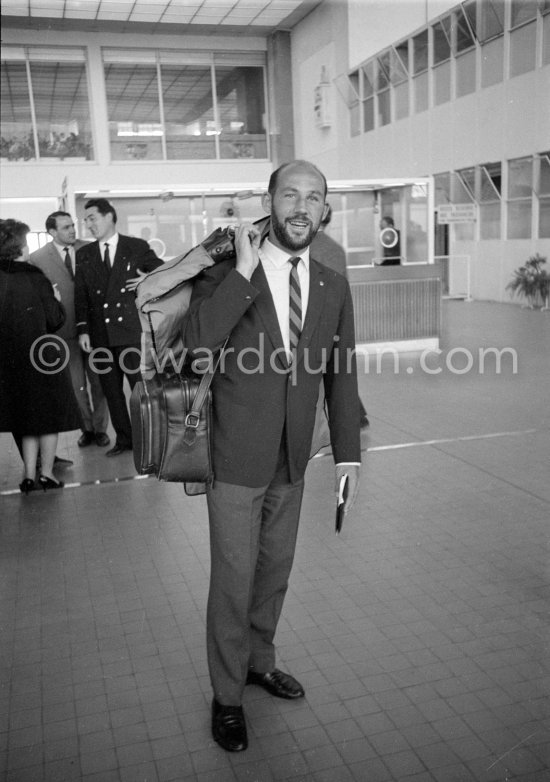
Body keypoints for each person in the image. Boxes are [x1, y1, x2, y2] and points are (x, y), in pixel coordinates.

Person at [184, 160, 362, 752]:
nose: (301, 207)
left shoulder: (334, 283)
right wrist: (240, 272)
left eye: (314, 197)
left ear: (325, 209)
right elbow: (196, 346)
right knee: (233, 580)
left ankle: (259, 662)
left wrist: (347, 458)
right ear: (270, 199)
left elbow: (341, 375)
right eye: (291, 194)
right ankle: (227, 695)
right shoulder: (227, 271)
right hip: (233, 456)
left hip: (293, 458)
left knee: (273, 574)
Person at [75, 198, 162, 456]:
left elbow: (162, 270)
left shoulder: (136, 246)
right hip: (100, 335)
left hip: (130, 333)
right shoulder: (85, 254)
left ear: (110, 216)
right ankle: (125, 440)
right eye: (86, 220)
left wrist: (149, 278)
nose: (89, 224)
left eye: (92, 218)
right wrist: (83, 329)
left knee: (140, 391)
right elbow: (80, 295)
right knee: (112, 393)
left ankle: (149, 441)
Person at [0, 219, 81, 493]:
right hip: (41, 359)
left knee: (25, 419)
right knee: (47, 418)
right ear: (21, 246)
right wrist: (55, 298)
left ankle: (27, 475)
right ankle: (46, 473)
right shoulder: (35, 277)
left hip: (8, 363)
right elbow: (55, 320)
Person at [30, 211, 111, 449]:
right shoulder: (37, 258)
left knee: (99, 382)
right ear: (52, 232)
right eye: (65, 228)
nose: (72, 231)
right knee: (76, 386)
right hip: (63, 331)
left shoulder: (91, 249)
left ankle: (100, 429)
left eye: (72, 226)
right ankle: (87, 429)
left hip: (95, 329)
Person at [310, 206, 370, 428]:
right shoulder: (336, 249)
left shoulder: (304, 249)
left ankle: (352, 416)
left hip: (313, 321)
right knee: (336, 371)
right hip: (334, 319)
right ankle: (356, 415)